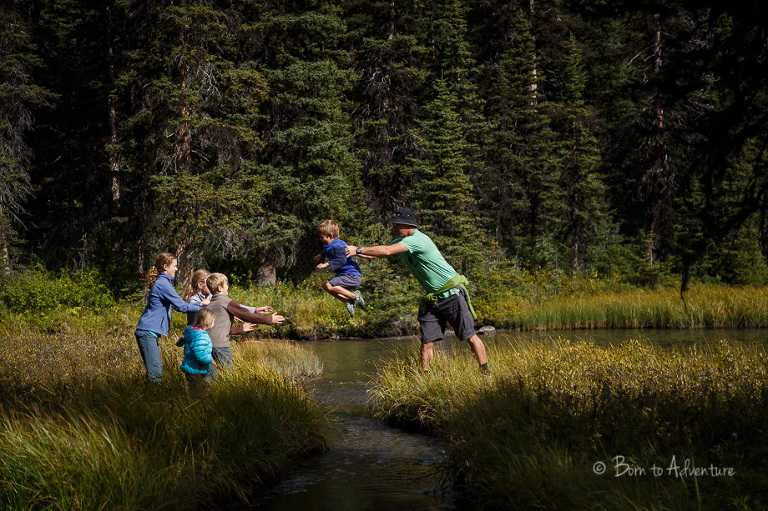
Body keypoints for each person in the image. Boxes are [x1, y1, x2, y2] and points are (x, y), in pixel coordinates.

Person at [346, 207, 489, 373]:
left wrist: (357, 249)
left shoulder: (418, 239)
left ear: (407, 225)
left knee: (469, 335)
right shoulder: (402, 241)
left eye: (396, 225)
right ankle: (426, 376)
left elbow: (387, 250)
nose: (393, 228)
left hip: (452, 294)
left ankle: (485, 372)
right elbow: (379, 253)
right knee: (427, 340)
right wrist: (353, 252)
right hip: (433, 299)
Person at [134, 253, 210, 383]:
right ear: (165, 267)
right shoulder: (163, 284)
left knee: (154, 372)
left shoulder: (164, 283)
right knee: (155, 373)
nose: (176, 269)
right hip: (147, 331)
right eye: (174, 266)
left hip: (148, 331)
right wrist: (201, 304)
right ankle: (150, 400)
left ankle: (147, 399)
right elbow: (182, 307)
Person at [205, 272, 285, 377]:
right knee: (230, 377)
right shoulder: (226, 302)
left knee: (211, 379)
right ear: (220, 288)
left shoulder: (209, 305)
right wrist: (269, 319)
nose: (228, 287)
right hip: (221, 347)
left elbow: (218, 328)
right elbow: (246, 315)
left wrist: (240, 329)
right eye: (226, 285)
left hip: (207, 346)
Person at [314, 219, 365, 317]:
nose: (320, 239)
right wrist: (320, 255)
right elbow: (327, 250)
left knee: (329, 285)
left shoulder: (338, 246)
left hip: (352, 276)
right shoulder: (331, 244)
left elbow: (342, 259)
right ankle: (347, 301)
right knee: (326, 285)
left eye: (322, 237)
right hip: (346, 276)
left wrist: (326, 264)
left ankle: (354, 296)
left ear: (331, 236)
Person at [181, 269, 264, 327]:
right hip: (195, 338)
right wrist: (228, 314)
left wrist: (255, 310)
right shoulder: (194, 300)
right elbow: (207, 313)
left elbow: (231, 306)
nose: (211, 285)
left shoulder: (211, 297)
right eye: (208, 283)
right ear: (200, 285)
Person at [179, 308, 217, 389]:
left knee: (194, 389)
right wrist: (211, 360)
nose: (214, 323)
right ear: (208, 322)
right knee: (200, 391)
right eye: (213, 321)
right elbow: (200, 354)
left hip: (190, 367)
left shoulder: (192, 331)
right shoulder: (202, 336)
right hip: (196, 369)